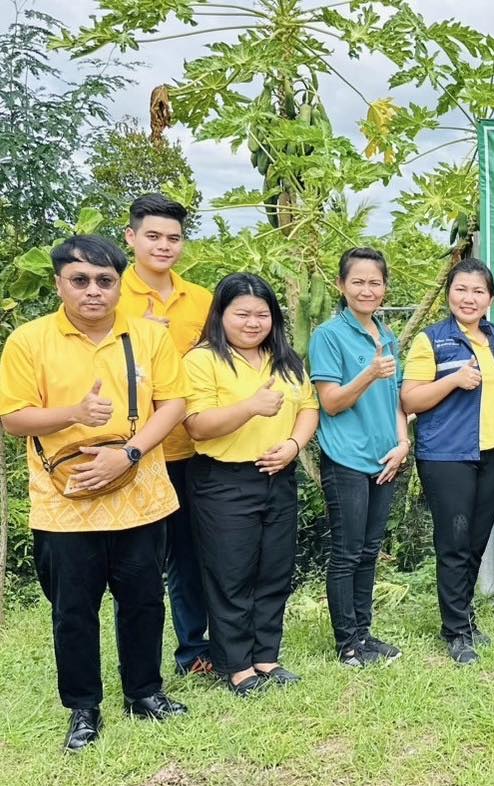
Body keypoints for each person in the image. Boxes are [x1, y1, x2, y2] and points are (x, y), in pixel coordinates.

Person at [0, 235, 189, 751]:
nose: (93, 292)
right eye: (79, 280)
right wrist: (75, 415)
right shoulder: (29, 341)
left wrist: (128, 453)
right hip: (66, 501)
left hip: (141, 494)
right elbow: (13, 417)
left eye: (105, 281)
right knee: (73, 610)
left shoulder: (147, 337)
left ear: (118, 285)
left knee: (146, 600)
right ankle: (83, 708)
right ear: (59, 283)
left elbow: (173, 403)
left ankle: (145, 692)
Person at [184, 273, 319, 697]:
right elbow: (198, 426)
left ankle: (267, 656)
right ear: (221, 315)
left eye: (262, 314)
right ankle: (237, 665)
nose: (252, 322)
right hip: (224, 481)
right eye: (241, 313)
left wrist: (294, 445)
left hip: (278, 476)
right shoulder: (202, 360)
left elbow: (309, 408)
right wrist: (250, 408)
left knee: (274, 570)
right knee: (231, 575)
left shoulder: (287, 360)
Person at [401, 258, 494, 665]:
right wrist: (452, 380)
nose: (469, 298)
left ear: (491, 298)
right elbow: (409, 400)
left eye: (478, 291)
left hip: (491, 454)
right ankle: (455, 632)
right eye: (461, 289)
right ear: (450, 294)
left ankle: (464, 618)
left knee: (474, 542)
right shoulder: (431, 341)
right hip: (447, 456)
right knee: (453, 543)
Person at [117, 194, 215, 678]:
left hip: (192, 446)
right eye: (152, 236)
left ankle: (194, 649)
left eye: (173, 238)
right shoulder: (109, 296)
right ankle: (139, 665)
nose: (163, 245)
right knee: (138, 563)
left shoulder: (200, 299)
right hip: (132, 451)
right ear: (131, 237)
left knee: (189, 554)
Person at [308, 248, 410, 667]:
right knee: (347, 552)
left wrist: (403, 444)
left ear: (385, 289)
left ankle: (365, 635)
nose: (367, 290)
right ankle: (346, 643)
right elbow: (330, 403)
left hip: (384, 457)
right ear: (341, 285)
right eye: (358, 282)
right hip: (347, 458)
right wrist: (369, 371)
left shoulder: (385, 334)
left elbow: (398, 401)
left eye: (375, 282)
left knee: (369, 550)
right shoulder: (329, 336)